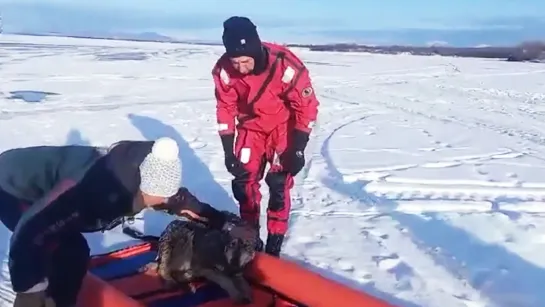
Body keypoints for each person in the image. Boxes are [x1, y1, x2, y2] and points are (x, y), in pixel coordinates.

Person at [0, 137, 248, 307]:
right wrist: (30, 292)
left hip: (58, 196)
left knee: (72, 253)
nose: (164, 201)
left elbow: (185, 203)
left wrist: (226, 224)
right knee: (63, 251)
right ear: (142, 187)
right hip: (12, 187)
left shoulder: (153, 175)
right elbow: (29, 232)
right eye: (159, 196)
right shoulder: (89, 190)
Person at [212, 16, 320, 257]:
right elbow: (225, 109)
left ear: (255, 50)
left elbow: (307, 108)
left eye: (245, 61)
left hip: (282, 128)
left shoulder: (285, 66)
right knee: (244, 182)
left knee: (279, 185)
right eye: (235, 61)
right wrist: (229, 152)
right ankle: (250, 239)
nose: (240, 68)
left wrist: (298, 148)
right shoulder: (224, 71)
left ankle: (274, 245)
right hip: (251, 129)